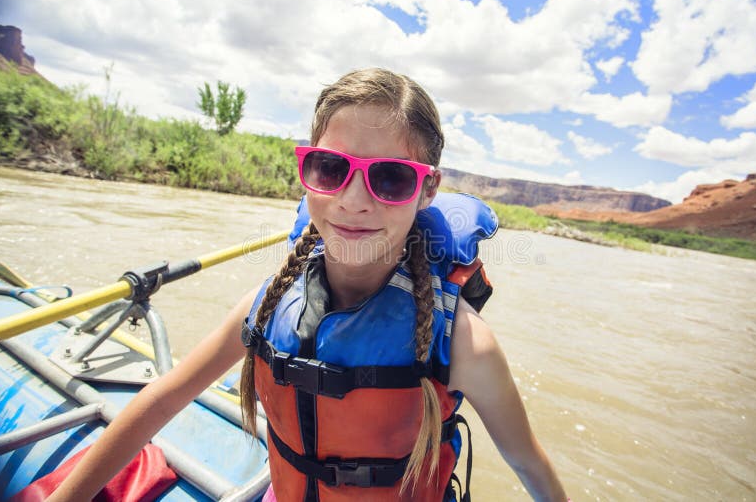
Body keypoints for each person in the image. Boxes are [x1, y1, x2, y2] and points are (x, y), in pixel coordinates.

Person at [47, 68, 566, 502]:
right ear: (306, 171)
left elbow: (528, 463)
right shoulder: (266, 304)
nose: (355, 201)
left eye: (390, 178)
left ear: (427, 188)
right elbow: (161, 401)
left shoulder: (465, 345)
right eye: (331, 168)